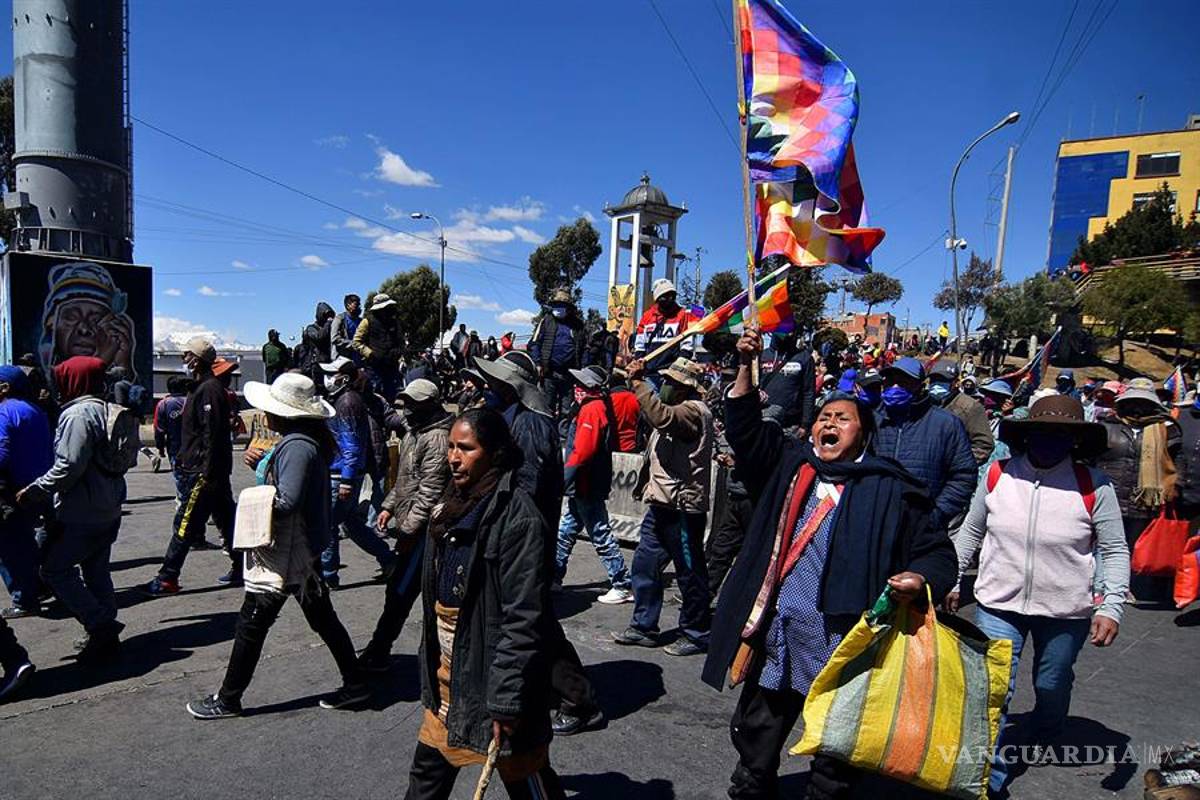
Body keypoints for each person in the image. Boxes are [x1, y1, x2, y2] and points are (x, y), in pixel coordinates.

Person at [704, 329, 957, 800]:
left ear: (863, 432)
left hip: (843, 639)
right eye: (823, 416)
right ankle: (751, 785)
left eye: (842, 417)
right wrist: (744, 364)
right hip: (778, 630)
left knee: (836, 745)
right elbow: (743, 427)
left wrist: (919, 577)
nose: (829, 423)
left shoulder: (890, 488)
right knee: (758, 726)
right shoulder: (789, 466)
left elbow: (939, 555)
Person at [947, 395, 1129, 795]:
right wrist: (953, 578)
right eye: (1041, 432)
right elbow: (972, 533)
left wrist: (1111, 605)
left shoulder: (1093, 486)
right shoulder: (997, 475)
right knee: (994, 690)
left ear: (1074, 440)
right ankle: (986, 781)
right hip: (998, 603)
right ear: (1027, 435)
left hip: (1066, 609)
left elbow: (1114, 550)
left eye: (1060, 434)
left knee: (1052, 682)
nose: (1049, 440)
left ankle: (1048, 727)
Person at [400, 408, 567, 800]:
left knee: (523, 773)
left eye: (467, 448)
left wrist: (507, 698)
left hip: (494, 677)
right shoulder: (451, 505)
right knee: (427, 775)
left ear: (493, 453)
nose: (453, 457)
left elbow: (522, 619)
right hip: (448, 675)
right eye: (452, 447)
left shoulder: (518, 518)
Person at [186, 373, 369, 718]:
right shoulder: (301, 442)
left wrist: (252, 497)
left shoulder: (297, 445)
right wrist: (265, 466)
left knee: (252, 624)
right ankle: (356, 682)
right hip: (303, 550)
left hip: (287, 551)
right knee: (323, 620)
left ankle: (228, 699)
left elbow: (287, 501)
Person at [473, 351, 602, 737]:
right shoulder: (515, 418)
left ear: (514, 387)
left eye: (496, 383)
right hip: (518, 538)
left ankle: (579, 701)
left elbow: (522, 490)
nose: (488, 388)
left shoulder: (530, 423)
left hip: (524, 541)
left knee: (537, 623)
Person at [17, 357, 126, 661]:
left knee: (54, 570)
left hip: (82, 510)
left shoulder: (78, 414)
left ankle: (101, 625)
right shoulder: (105, 408)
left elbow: (69, 466)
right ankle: (102, 636)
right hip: (108, 505)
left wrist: (35, 490)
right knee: (96, 570)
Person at [613, 356, 714, 657]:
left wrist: (637, 381)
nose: (666, 386)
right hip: (661, 504)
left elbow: (661, 417)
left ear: (686, 387)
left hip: (682, 508)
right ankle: (644, 626)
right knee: (645, 565)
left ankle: (697, 633)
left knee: (689, 573)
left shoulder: (692, 412)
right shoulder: (675, 409)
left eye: (671, 382)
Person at [360, 379, 453, 672]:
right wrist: (388, 506)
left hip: (426, 533)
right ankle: (381, 650)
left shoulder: (436, 438)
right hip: (413, 528)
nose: (407, 410)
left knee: (404, 594)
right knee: (401, 594)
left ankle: (381, 652)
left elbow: (429, 493)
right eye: (406, 404)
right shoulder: (415, 432)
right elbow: (405, 479)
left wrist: (408, 532)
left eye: (414, 404)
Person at [144, 337, 236, 595]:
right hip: (208, 471)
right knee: (227, 521)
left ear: (196, 359)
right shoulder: (200, 388)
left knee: (185, 524)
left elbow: (212, 434)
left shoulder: (210, 390)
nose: (184, 360)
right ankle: (242, 566)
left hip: (203, 473)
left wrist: (205, 472)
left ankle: (167, 577)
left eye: (186, 355)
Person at [1094, 377, 1180, 601]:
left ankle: (1120, 587)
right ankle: (1098, 587)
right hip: (1107, 494)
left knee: (1128, 547)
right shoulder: (1105, 425)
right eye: (1134, 402)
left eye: (1144, 403)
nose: (1138, 407)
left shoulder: (1166, 430)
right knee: (1104, 544)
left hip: (1142, 500)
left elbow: (1173, 463)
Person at [554, 366, 632, 604]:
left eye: (581, 383)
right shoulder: (594, 406)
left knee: (599, 532)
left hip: (585, 483)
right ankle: (554, 578)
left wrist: (563, 479)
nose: (576, 387)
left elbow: (583, 451)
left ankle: (621, 582)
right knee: (566, 530)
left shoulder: (592, 408)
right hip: (585, 483)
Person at [874, 357, 977, 531]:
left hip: (921, 530)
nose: (895, 387)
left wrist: (936, 514)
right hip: (875, 523)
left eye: (903, 382)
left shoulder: (946, 424)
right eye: (890, 381)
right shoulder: (872, 420)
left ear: (920, 386)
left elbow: (964, 476)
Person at [318, 357, 395, 588]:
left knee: (329, 524)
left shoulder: (347, 402)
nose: (329, 378)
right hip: (344, 473)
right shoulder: (344, 399)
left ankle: (327, 574)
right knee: (351, 524)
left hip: (341, 475)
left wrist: (347, 480)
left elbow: (352, 444)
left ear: (346, 377)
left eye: (333, 373)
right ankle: (388, 558)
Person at [0, 366, 54, 619]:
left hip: (10, 490)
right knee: (24, 544)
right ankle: (37, 586)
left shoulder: (3, 411)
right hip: (36, 489)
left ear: (5, 387)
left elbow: (2, 453)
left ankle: (25, 599)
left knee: (9, 549)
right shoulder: (36, 411)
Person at [529, 289, 585, 417]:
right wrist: (538, 363)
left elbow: (584, 348)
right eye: (556, 305)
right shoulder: (546, 321)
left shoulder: (577, 325)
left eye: (562, 306)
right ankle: (548, 435)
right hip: (549, 373)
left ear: (568, 308)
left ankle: (564, 436)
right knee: (547, 408)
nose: (558, 308)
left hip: (569, 374)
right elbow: (534, 344)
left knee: (567, 410)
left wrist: (582, 370)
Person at [632, 279, 699, 386]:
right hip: (650, 373)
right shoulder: (647, 316)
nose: (669, 299)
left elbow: (687, 346)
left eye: (671, 296)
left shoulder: (682, 315)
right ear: (657, 299)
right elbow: (639, 345)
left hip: (671, 375)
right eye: (664, 297)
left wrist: (678, 368)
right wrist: (639, 362)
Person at [928, 362, 994, 466]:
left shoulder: (971, 407)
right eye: (934, 380)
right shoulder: (926, 403)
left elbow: (983, 445)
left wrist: (959, 466)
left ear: (956, 383)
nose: (936, 385)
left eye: (943, 381)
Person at [352, 292, 405, 401]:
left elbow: (401, 342)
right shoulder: (367, 322)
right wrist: (370, 354)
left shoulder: (395, 322)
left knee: (390, 397)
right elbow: (357, 342)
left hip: (391, 367)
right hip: (374, 368)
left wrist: (397, 352)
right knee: (375, 397)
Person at [761, 334, 817, 438]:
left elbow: (809, 392)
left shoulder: (804, 358)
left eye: (790, 329)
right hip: (763, 421)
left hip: (792, 425)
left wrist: (805, 424)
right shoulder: (761, 356)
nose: (787, 333)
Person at [153, 375, 191, 470]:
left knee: (180, 478)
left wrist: (160, 447)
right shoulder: (192, 400)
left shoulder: (163, 404)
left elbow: (159, 429)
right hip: (194, 448)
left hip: (174, 449)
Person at [296, 303, 336, 386]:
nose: (329, 318)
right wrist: (328, 323)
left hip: (329, 364)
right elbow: (319, 338)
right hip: (314, 366)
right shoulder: (311, 328)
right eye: (326, 315)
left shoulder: (330, 328)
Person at [331, 293, 362, 361]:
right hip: (342, 359)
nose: (359, 307)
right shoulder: (339, 319)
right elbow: (334, 339)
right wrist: (352, 344)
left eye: (359, 305)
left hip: (358, 359)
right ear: (348, 305)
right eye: (356, 305)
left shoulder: (361, 321)